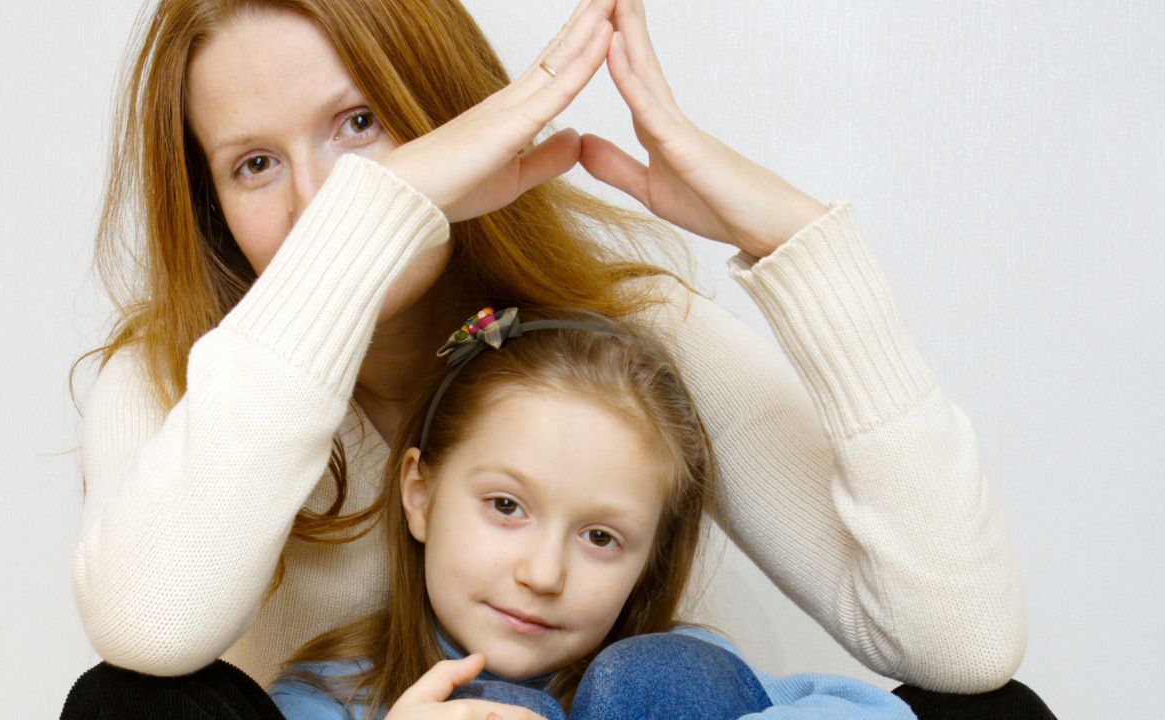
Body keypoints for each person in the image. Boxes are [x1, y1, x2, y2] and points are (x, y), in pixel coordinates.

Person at [64, 0, 1054, 717]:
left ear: (443, 106)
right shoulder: (164, 375)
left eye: (359, 123)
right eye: (254, 164)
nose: (319, 201)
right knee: (124, 708)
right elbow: (147, 636)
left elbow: (961, 648)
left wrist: (807, 249)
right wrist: (362, 230)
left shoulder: (628, 336)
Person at [266, 307, 917, 720]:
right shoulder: (328, 698)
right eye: (506, 506)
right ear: (421, 495)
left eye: (601, 537)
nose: (544, 573)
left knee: (651, 681)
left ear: (649, 562)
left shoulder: (678, 676)